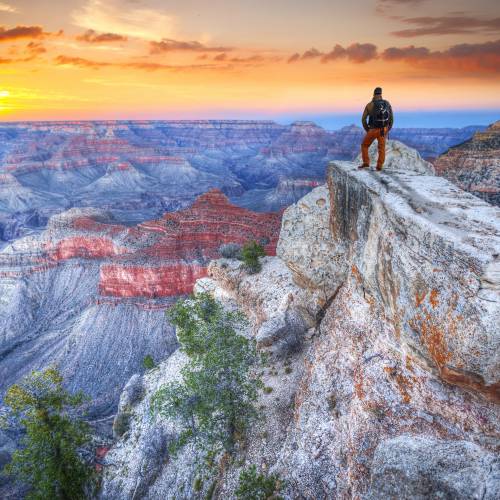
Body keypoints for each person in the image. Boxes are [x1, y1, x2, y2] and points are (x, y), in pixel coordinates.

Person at [358, 87, 393, 171]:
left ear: (374, 94)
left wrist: (368, 130)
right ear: (381, 94)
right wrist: (387, 129)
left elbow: (363, 119)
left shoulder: (370, 105)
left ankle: (366, 163)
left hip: (373, 129)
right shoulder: (387, 104)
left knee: (364, 145)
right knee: (381, 148)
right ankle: (379, 166)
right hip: (383, 130)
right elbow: (391, 118)